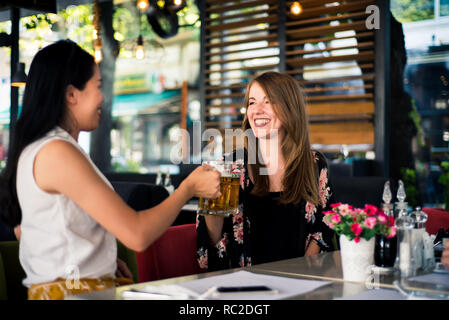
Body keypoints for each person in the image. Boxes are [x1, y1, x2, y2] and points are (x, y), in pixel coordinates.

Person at [0, 39, 221, 300]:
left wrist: (100, 263)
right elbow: (137, 235)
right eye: (98, 87)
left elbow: (42, 230)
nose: (103, 98)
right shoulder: (56, 152)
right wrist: (187, 189)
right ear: (71, 94)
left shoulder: (53, 148)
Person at [196, 71, 336, 271]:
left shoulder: (314, 164)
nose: (257, 110)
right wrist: (213, 208)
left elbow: (325, 227)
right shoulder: (229, 165)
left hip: (302, 284)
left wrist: (303, 275)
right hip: (245, 288)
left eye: (268, 101)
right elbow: (211, 247)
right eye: (252, 102)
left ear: (290, 107)